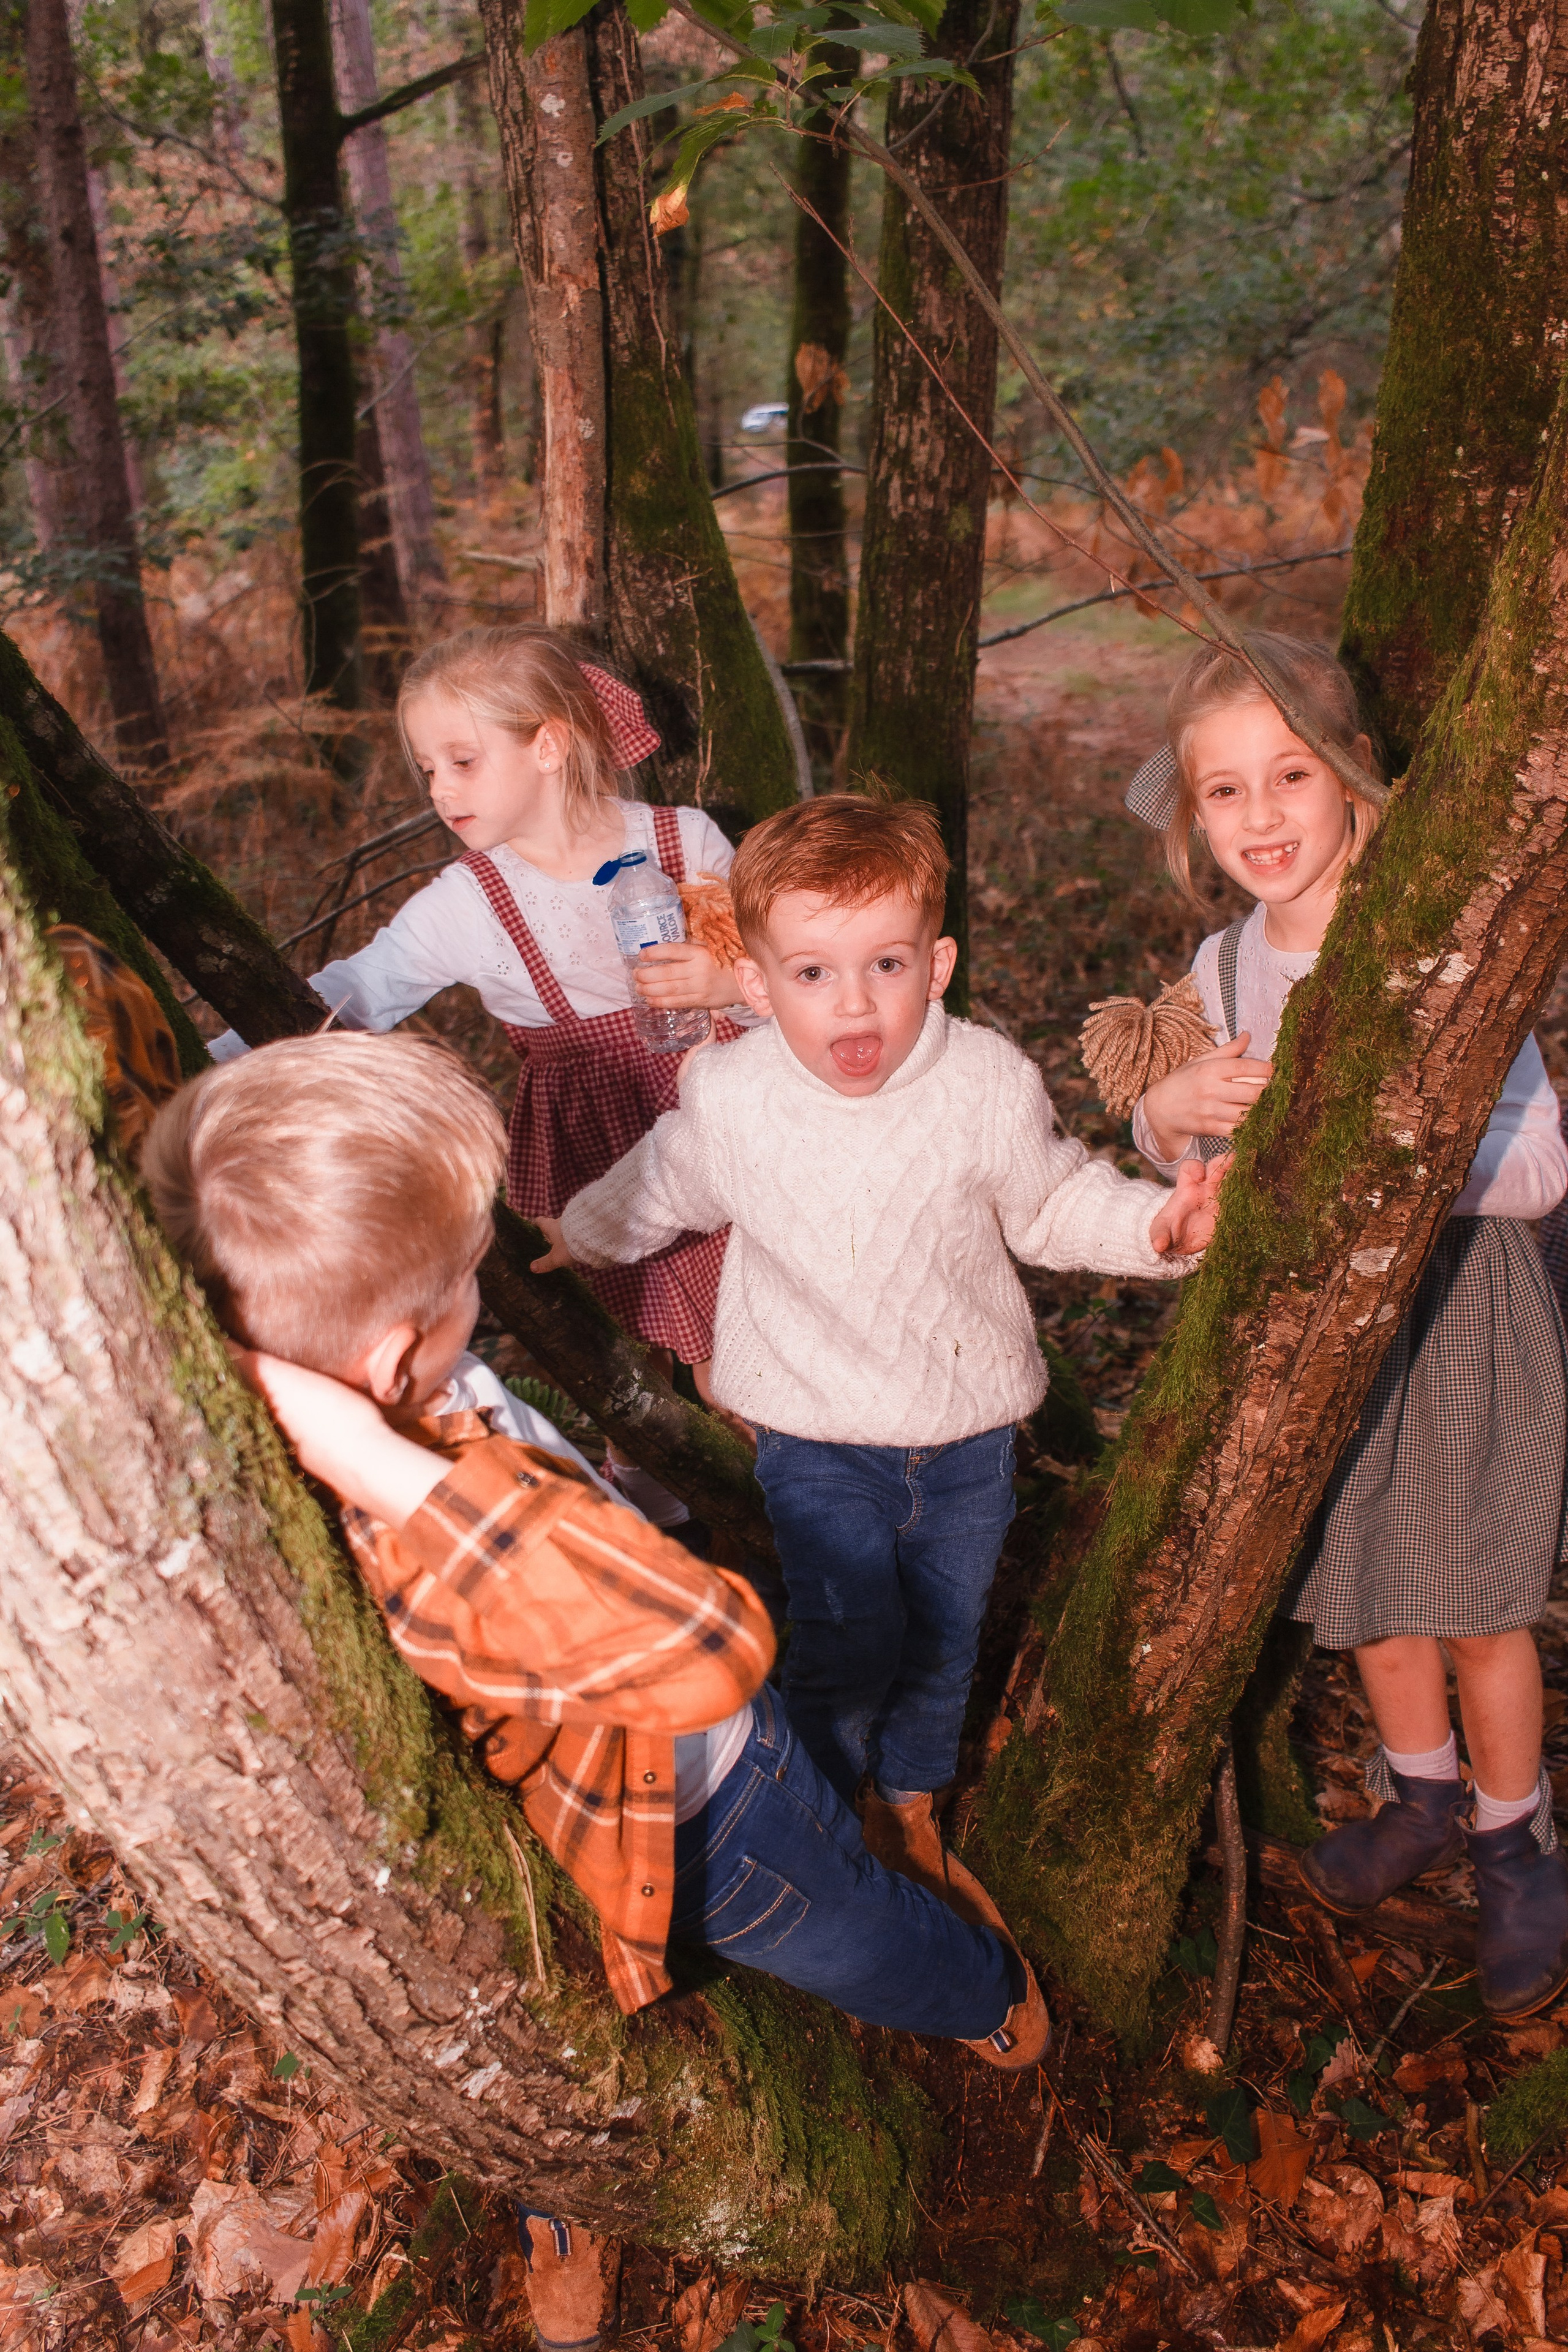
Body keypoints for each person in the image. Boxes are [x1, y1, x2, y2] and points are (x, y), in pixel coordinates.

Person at [532, 793, 1222, 1915]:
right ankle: (815, 1810)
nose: (854, 1002)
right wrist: (578, 1229)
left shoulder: (985, 1081)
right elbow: (662, 1185)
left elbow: (1051, 1207)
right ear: (754, 985)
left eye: (886, 964)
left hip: (965, 1432)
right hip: (813, 1432)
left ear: (937, 963)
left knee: (945, 1635)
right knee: (848, 1638)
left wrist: (1157, 1227)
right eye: (811, 974)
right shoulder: (732, 1094)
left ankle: (906, 1807)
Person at [1122, 628, 1568, 2020]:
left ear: (1353, 788)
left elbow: (1543, 1163)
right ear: (1193, 817)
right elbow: (1173, 1150)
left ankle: (1516, 1844)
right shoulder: (1219, 970)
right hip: (1317, 1340)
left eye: (1289, 778)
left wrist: (1391, 1166)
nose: (1259, 818)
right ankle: (1419, 1800)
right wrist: (1164, 1116)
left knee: (1480, 1608)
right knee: (1373, 1595)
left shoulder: (1435, 946)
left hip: (1457, 1314)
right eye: (1224, 792)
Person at [211, 624, 750, 1536]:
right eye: (428, 769)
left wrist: (729, 981)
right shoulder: (470, 902)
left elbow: (787, 964)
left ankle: (808, 1512)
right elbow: (360, 987)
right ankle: (664, 1505)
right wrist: (216, 1061)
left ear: (548, 744)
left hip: (726, 1110)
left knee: (742, 1347)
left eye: (462, 761)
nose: (439, 790)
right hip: (599, 1144)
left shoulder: (682, 837)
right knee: (649, 1342)